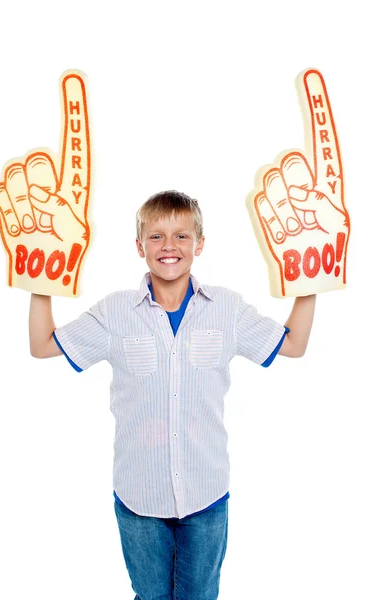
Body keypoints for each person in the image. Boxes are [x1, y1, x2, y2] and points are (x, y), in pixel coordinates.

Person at [29, 190, 316, 600]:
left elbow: (293, 345)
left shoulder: (226, 309)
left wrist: (311, 280)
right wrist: (41, 279)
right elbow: (42, 345)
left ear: (199, 244)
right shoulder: (115, 313)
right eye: (157, 236)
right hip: (140, 498)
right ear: (139, 245)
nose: (169, 246)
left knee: (200, 596)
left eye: (182, 236)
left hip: (206, 495)